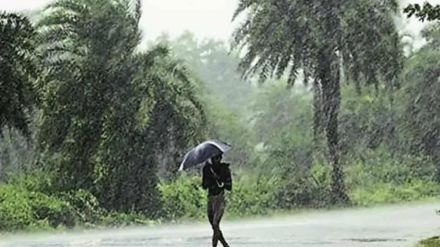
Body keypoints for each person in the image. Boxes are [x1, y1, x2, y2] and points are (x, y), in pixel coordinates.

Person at [202, 153, 232, 247]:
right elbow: (204, 185)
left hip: (220, 198)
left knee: (215, 224)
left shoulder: (225, 169)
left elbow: (229, 186)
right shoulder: (207, 169)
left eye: (218, 158)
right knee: (214, 226)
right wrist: (209, 179)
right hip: (210, 198)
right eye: (214, 158)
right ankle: (225, 245)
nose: (216, 160)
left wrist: (220, 180)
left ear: (220, 158)